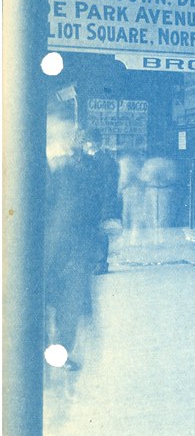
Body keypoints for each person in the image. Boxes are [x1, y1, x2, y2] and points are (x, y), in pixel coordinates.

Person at [45, 133, 99, 369]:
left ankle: (56, 354)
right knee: (64, 308)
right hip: (61, 251)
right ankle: (55, 354)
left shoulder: (67, 174)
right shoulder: (67, 176)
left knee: (63, 307)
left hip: (63, 251)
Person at [79, 128, 120, 274]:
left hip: (100, 202)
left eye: (87, 141)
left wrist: (106, 204)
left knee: (99, 232)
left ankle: (100, 263)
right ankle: (95, 263)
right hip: (92, 202)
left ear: (94, 143)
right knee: (92, 232)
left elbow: (108, 185)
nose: (85, 145)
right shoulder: (93, 159)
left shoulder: (103, 160)